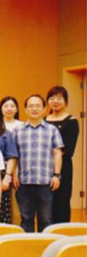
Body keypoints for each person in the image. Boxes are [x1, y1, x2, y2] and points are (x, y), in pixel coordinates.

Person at [12, 95, 64, 232]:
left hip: (45, 182)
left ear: (44, 109)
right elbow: (14, 156)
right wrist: (14, 175)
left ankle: (45, 244)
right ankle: (28, 244)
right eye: (31, 106)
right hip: (23, 182)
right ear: (25, 109)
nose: (34, 109)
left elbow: (57, 153)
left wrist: (56, 175)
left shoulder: (52, 130)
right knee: (26, 218)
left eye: (38, 106)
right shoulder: (17, 130)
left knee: (46, 219)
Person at [45, 86, 80, 224]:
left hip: (63, 167)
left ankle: (61, 231)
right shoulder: (43, 120)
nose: (55, 101)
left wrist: (54, 154)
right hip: (44, 166)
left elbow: (68, 148)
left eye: (60, 98)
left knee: (61, 201)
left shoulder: (72, 121)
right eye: (52, 98)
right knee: (45, 204)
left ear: (66, 101)